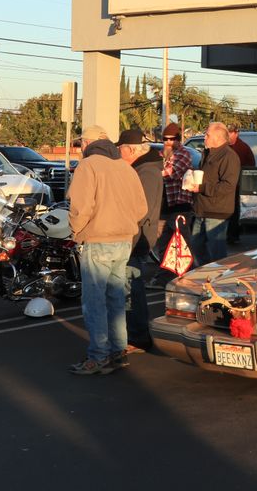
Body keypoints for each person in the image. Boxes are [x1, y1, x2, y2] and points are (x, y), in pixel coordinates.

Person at [67, 124, 148, 375]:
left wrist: (76, 232)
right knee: (116, 299)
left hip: (98, 240)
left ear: (86, 144)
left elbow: (81, 208)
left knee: (94, 302)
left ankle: (98, 357)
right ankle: (118, 352)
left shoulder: (88, 165)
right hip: (123, 241)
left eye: (81, 144)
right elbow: (141, 209)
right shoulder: (124, 166)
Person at [117, 128, 163, 352]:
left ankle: (138, 337)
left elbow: (142, 209)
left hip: (137, 237)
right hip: (136, 235)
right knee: (130, 287)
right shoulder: (144, 168)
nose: (118, 152)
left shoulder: (146, 172)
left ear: (131, 149)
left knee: (132, 288)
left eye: (121, 148)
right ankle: (135, 335)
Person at [186, 122, 240, 265]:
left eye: (207, 135)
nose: (204, 137)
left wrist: (201, 188)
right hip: (202, 209)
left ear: (218, 137)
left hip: (217, 211)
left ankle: (218, 278)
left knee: (216, 251)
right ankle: (206, 273)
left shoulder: (229, 156)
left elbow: (228, 186)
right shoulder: (208, 153)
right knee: (196, 244)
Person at [152, 121, 193, 275]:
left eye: (172, 138)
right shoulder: (160, 155)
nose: (168, 142)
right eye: (165, 139)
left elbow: (171, 173)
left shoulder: (184, 154)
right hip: (163, 207)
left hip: (180, 206)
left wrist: (156, 172)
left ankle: (187, 274)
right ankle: (167, 274)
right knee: (161, 245)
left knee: (183, 244)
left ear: (178, 139)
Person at [226, 123, 255, 245]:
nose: (228, 135)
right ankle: (228, 234)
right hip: (227, 183)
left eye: (230, 133)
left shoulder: (243, 147)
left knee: (234, 211)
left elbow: (251, 166)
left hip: (238, 184)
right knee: (228, 210)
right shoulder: (225, 146)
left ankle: (233, 235)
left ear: (236, 133)